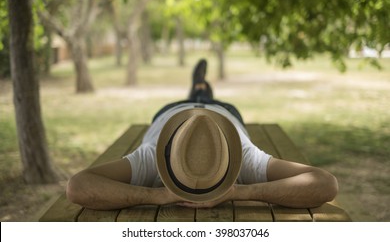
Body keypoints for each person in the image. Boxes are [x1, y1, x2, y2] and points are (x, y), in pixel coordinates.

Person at [66, 59, 338, 210]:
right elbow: (76, 187)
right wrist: (157, 196)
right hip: (192, 115)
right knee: (203, 95)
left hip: (193, 115)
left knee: (200, 95)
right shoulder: (154, 156)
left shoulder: (241, 156)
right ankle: (201, 87)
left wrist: (238, 192)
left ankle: (199, 86)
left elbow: (326, 184)